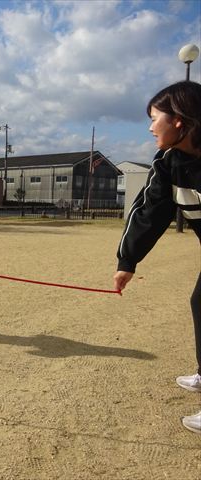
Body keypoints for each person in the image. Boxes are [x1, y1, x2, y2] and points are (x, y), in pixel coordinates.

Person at [114, 81, 201, 434]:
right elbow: (150, 211)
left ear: (178, 119)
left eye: (154, 118)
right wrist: (127, 261)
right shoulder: (168, 162)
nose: (150, 128)